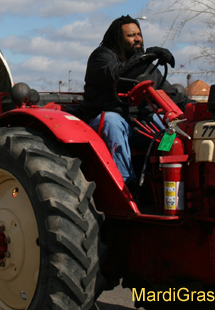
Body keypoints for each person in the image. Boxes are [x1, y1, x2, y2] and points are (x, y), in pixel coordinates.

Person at [79, 15, 190, 197]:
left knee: (168, 128)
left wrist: (199, 108)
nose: (137, 38)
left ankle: (166, 173)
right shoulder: (101, 57)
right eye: (131, 35)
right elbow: (117, 75)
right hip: (101, 125)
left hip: (138, 125)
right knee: (112, 120)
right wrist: (146, 57)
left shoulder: (145, 68)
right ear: (118, 38)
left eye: (139, 34)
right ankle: (126, 186)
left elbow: (170, 94)